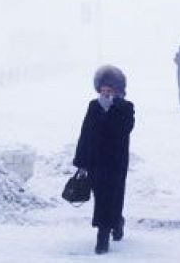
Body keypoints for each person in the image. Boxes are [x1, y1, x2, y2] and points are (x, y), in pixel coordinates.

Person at [73, 65, 135, 255]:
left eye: (110, 91)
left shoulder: (126, 108)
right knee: (101, 197)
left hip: (116, 162)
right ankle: (106, 230)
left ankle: (111, 228)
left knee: (114, 196)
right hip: (95, 162)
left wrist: (111, 110)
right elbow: (85, 134)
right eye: (103, 90)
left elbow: (125, 129)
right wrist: (81, 162)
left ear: (118, 91)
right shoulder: (93, 106)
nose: (106, 94)